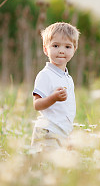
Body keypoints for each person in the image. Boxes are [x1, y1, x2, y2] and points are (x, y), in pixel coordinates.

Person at [31, 22, 80, 152]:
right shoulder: (45, 75)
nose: (61, 51)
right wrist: (53, 97)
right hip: (48, 131)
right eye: (56, 45)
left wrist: (69, 134)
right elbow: (37, 105)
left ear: (74, 49)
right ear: (46, 49)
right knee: (45, 167)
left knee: (58, 169)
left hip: (62, 132)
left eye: (67, 47)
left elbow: (66, 111)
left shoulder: (67, 78)